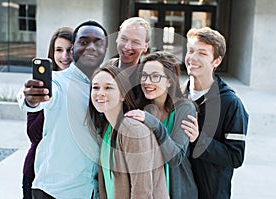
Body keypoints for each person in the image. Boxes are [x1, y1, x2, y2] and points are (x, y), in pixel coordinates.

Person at [17, 20, 108, 198]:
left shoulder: (105, 86)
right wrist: (31, 98)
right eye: (83, 42)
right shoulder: (57, 82)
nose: (91, 47)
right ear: (73, 48)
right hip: (54, 192)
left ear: (105, 50)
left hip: (91, 191)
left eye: (98, 43)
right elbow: (37, 96)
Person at [181, 27, 249, 199]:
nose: (193, 58)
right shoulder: (177, 96)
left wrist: (199, 139)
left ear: (216, 61)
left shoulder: (231, 104)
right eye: (190, 51)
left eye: (202, 53)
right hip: (178, 190)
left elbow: (235, 156)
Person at [86, 65, 169, 199]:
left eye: (108, 87)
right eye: (95, 87)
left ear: (123, 95)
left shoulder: (133, 130)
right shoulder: (107, 129)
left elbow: (142, 190)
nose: (100, 93)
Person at [124, 51, 198, 198]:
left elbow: (175, 158)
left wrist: (153, 123)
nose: (147, 81)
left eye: (155, 76)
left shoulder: (185, 108)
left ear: (170, 81)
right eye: (144, 75)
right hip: (149, 190)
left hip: (178, 192)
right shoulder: (138, 107)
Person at [22, 27, 73, 199]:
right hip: (36, 170)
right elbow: (34, 135)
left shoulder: (82, 86)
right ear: (52, 52)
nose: (64, 56)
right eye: (59, 50)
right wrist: (49, 103)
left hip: (69, 178)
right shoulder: (40, 86)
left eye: (70, 50)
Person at [107, 17, 151, 96]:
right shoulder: (107, 68)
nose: (127, 47)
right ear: (117, 38)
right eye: (124, 39)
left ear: (146, 46)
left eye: (135, 42)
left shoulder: (148, 80)